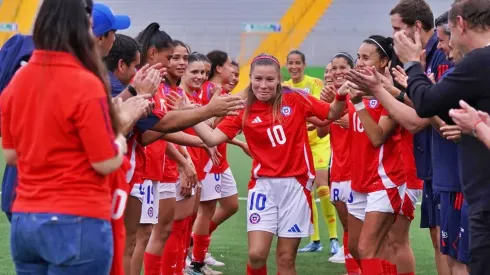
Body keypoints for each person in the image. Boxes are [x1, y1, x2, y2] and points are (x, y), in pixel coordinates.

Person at [187, 53, 347, 275]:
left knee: (286, 258)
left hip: (296, 186)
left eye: (270, 80)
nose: (264, 85)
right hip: (263, 187)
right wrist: (192, 113)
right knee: (256, 254)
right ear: (250, 79)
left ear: (278, 80)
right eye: (258, 79)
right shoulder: (242, 108)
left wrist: (340, 97)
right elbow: (213, 138)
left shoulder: (296, 98)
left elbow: (330, 113)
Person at [0, 0, 127, 273]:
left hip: (25, 219)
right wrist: (120, 141)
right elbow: (104, 162)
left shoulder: (18, 81)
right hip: (77, 218)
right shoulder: (86, 83)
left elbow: (11, 155)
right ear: (85, 27)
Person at [389, 1, 490, 273]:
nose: (446, 43)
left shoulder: (479, 60)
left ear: (460, 24)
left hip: (481, 194)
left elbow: (426, 103)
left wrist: (411, 65)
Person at [388, 2, 452, 273]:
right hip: (432, 159)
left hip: (449, 161)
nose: (394, 36)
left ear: (416, 27)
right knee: (438, 238)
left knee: (449, 242)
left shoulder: (444, 54)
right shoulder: (423, 57)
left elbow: (425, 112)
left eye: (397, 28)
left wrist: (389, 91)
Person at [283, 50, 339, 255]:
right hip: (299, 145)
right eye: (291, 63)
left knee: (323, 186)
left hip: (320, 141)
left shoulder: (315, 83)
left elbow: (320, 109)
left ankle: (333, 237)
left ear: (304, 64)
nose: (294, 66)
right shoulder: (285, 88)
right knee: (307, 190)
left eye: (298, 62)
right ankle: (314, 239)